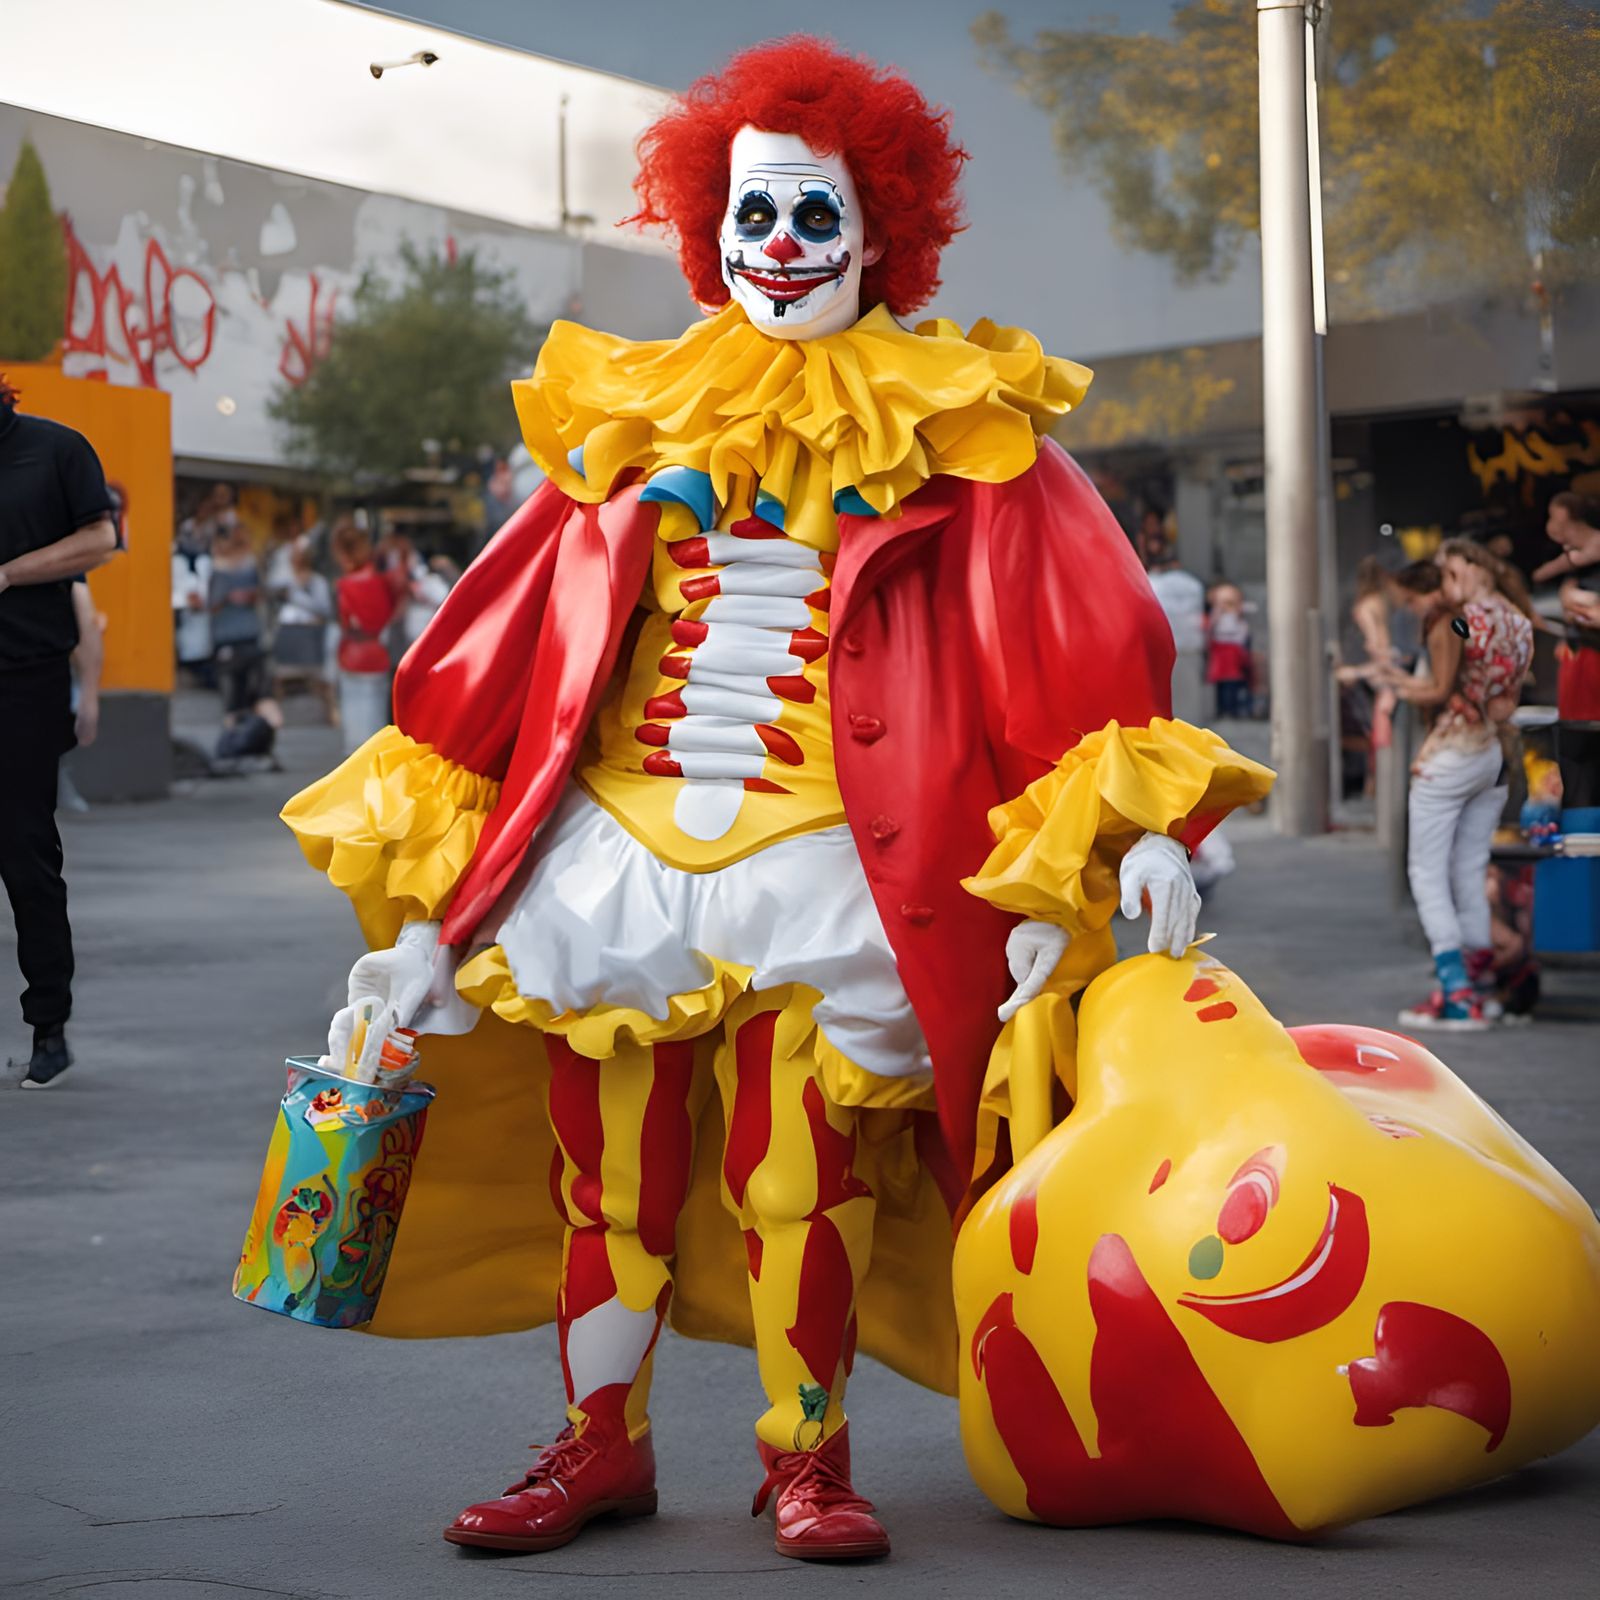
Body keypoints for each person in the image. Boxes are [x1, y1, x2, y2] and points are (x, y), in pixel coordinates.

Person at [276, 38, 1271, 1562]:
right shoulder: (635, 413)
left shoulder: (965, 424)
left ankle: (807, 1455)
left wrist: (1129, 838)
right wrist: (436, 896)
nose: (784, 251)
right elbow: (499, 655)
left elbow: (1069, 645)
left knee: (798, 1175)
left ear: (881, 232)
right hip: (609, 855)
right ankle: (595, 1446)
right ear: (709, 231)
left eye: (816, 219)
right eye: (755, 220)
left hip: (840, 866)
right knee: (606, 1179)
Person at [0, 375, 120, 1087]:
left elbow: (101, 539)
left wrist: (8, 574)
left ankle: (50, 1024)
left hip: (23, 679)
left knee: (25, 854)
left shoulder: (54, 450)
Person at [1378, 541, 1534, 1029]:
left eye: (1448, 571)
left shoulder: (1464, 621)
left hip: (1452, 753)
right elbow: (1504, 689)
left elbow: (1451, 669)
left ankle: (1456, 992)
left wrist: (1401, 683)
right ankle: (1479, 988)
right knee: (1468, 870)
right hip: (1494, 754)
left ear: (1469, 569)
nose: (1443, 583)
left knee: (1427, 874)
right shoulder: (1520, 622)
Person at [330, 519, 399, 755]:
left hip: (352, 654)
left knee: (354, 722)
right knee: (375, 718)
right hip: (378, 653)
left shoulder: (345, 586)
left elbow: (345, 621)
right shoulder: (381, 582)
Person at [1535, 491, 1600, 719]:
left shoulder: (1593, 545)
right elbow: (1565, 589)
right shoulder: (1575, 557)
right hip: (1581, 649)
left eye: (1554, 517)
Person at [1143, 533, 1208, 724]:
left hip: (1163, 648)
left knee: (1168, 700)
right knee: (1191, 700)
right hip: (1192, 645)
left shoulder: (1151, 583)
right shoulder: (1193, 584)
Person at [208, 521, 267, 726]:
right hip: (228, 632)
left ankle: (245, 722)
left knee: (249, 684)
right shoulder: (218, 567)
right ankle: (234, 721)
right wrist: (229, 597)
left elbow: (260, 593)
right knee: (231, 683)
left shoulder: (251, 564)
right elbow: (213, 602)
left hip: (246, 631)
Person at [270, 538, 335, 721]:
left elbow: (324, 611)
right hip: (289, 636)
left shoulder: (318, 582)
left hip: (310, 637)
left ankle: (331, 714)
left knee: (320, 681)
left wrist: (296, 596)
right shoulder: (283, 580)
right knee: (281, 678)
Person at [1206, 581, 1253, 718]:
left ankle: (1233, 709)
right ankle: (1222, 709)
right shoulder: (1217, 615)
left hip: (1234, 651)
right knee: (1220, 683)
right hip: (1220, 650)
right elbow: (1211, 628)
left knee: (1233, 682)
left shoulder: (1240, 615)